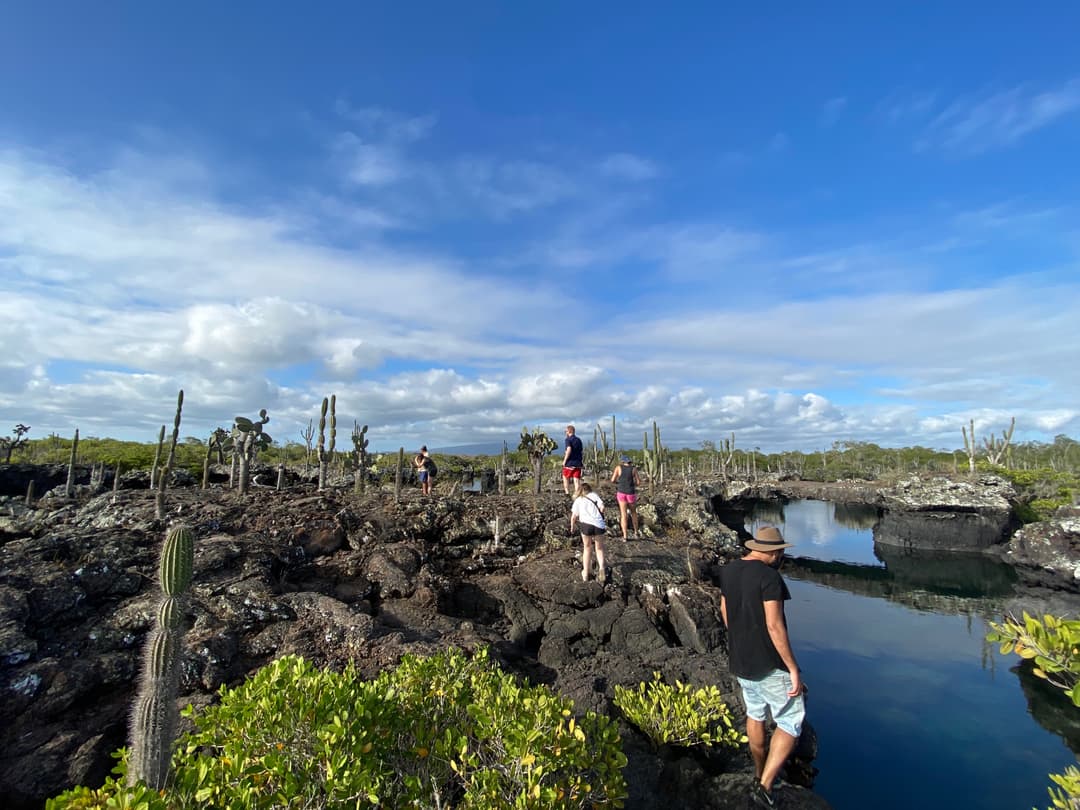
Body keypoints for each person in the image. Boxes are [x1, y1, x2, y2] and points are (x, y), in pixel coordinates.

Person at [718, 526, 806, 810]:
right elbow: (774, 625)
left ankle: (759, 774)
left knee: (755, 714)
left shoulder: (729, 570)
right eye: (780, 552)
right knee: (791, 721)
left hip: (741, 659)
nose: (781, 557)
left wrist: (739, 637)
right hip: (769, 663)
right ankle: (766, 786)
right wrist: (792, 668)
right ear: (775, 552)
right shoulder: (770, 578)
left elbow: (724, 610)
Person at [569, 482, 607, 583]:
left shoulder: (578, 500)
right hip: (598, 524)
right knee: (599, 548)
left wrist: (572, 527)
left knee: (587, 548)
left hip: (586, 525)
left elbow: (574, 516)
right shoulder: (594, 495)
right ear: (589, 489)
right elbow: (602, 508)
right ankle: (601, 568)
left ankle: (585, 572)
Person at [610, 453, 641, 541]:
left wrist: (619, 483)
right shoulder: (633, 469)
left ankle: (625, 536)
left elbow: (612, 480)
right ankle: (636, 533)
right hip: (631, 493)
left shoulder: (618, 468)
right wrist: (632, 484)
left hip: (621, 492)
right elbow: (638, 482)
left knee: (623, 514)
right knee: (633, 513)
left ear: (623, 461)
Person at [562, 424, 584, 495]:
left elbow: (569, 450)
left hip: (570, 463)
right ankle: (576, 494)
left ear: (569, 431)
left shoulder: (568, 440)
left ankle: (567, 493)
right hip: (578, 463)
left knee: (565, 477)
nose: (565, 433)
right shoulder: (579, 440)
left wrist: (564, 461)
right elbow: (581, 451)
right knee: (576, 480)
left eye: (566, 431)